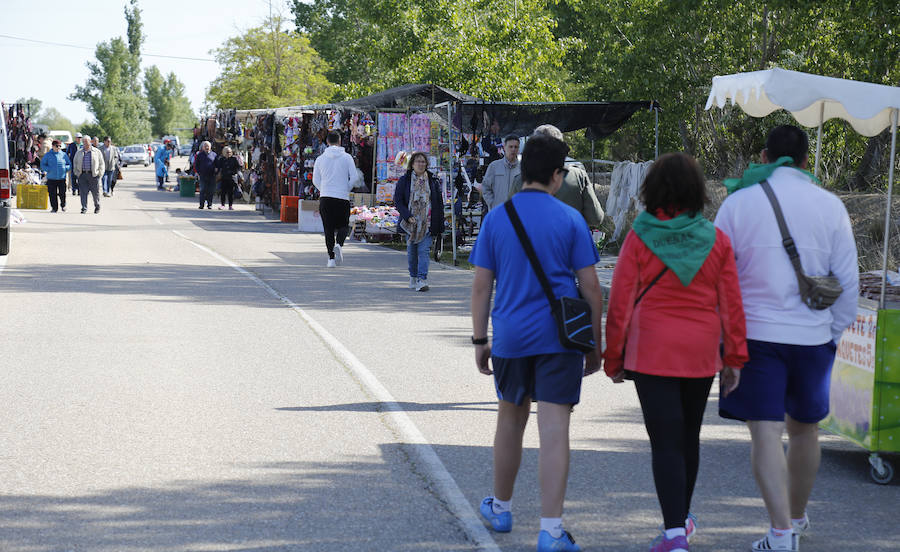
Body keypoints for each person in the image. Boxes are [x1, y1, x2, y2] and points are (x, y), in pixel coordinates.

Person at [714, 125, 858, 551]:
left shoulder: (737, 204)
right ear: (806, 160)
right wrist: (831, 331)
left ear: (763, 155)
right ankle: (795, 518)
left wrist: (725, 341)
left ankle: (780, 534)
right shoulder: (830, 206)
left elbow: (719, 277)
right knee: (804, 432)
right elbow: (846, 282)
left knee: (765, 433)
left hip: (756, 337)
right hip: (813, 337)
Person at [603, 152, 748, 552]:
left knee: (665, 441)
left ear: (654, 190)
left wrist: (612, 358)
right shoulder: (716, 239)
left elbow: (620, 304)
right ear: (696, 192)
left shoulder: (639, 236)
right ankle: (680, 524)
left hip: (651, 352)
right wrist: (734, 358)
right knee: (688, 437)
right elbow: (731, 305)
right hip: (700, 353)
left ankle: (674, 534)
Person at [469, 134, 603, 552]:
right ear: (557, 175)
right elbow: (592, 288)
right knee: (555, 428)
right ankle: (551, 530)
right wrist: (595, 344)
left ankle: (501, 508)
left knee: (510, 419)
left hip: (509, 337)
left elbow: (480, 288)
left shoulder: (496, 219)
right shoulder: (570, 220)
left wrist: (479, 340)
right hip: (560, 339)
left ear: (522, 169)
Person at [509, 125, 605, 228]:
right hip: (570, 239)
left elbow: (509, 219)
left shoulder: (520, 180)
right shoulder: (578, 176)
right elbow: (596, 218)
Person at [393, 152, 445, 291]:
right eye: (418, 162)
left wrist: (440, 225)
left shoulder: (433, 181)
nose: (421, 164)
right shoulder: (405, 180)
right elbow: (398, 201)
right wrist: (407, 215)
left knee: (424, 251)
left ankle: (422, 279)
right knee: (412, 253)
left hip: (427, 223)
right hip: (410, 224)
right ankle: (413, 277)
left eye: (423, 162)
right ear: (412, 164)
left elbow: (438, 203)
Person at [312, 131, 358, 267]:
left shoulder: (320, 159)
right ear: (339, 141)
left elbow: (315, 180)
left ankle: (331, 259)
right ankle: (339, 244)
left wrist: (324, 189)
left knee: (328, 229)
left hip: (326, 197)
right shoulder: (347, 157)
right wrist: (346, 188)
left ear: (327, 142)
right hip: (342, 197)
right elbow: (354, 177)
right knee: (344, 225)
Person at [481, 135, 521, 211]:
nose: (513, 149)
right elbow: (485, 187)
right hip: (497, 212)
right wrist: (492, 204)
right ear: (504, 148)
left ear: (518, 149)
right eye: (510, 146)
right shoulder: (494, 166)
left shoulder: (523, 169)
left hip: (516, 213)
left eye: (516, 147)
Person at [72, 135, 105, 214]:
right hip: (82, 175)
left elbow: (101, 164)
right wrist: (77, 173)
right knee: (83, 192)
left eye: (87, 142)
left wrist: (99, 174)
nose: (86, 144)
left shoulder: (97, 152)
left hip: (93, 175)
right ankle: (84, 207)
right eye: (84, 142)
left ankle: (97, 206)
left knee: (95, 192)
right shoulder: (79, 152)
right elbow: (75, 163)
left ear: (91, 142)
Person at [40, 140, 71, 212]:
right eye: (57, 146)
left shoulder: (63, 154)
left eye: (60, 146)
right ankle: (54, 208)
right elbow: (43, 164)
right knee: (52, 194)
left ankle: (63, 205)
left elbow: (69, 164)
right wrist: (48, 169)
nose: (58, 147)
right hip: (51, 178)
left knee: (62, 193)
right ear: (53, 146)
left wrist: (65, 168)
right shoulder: (48, 155)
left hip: (61, 178)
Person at [215, 146, 241, 210]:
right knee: (223, 192)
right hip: (223, 178)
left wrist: (234, 172)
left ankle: (230, 205)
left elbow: (238, 167)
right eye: (227, 152)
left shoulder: (234, 159)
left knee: (230, 192)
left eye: (230, 152)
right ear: (224, 152)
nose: (228, 153)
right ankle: (222, 205)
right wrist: (218, 173)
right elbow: (218, 167)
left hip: (231, 178)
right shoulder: (221, 159)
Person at [194, 141, 217, 209]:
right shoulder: (200, 155)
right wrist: (198, 172)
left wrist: (216, 169)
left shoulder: (214, 155)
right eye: (205, 146)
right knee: (203, 190)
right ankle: (201, 204)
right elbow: (196, 165)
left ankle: (209, 204)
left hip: (212, 175)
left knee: (210, 190)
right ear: (203, 147)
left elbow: (217, 164)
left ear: (210, 147)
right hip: (203, 175)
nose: (207, 147)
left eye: (208, 146)